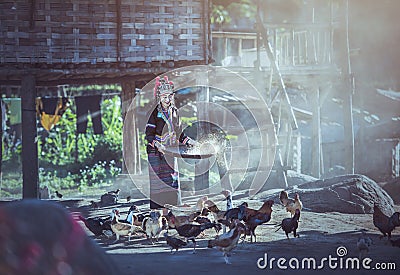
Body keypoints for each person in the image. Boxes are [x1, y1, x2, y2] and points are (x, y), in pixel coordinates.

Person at [145, 75, 197, 212]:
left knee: (172, 181)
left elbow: (179, 133)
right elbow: (148, 136)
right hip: (156, 153)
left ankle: (171, 215)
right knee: (158, 184)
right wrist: (158, 145)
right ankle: (158, 215)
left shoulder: (175, 111)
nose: (167, 100)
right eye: (164, 97)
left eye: (169, 96)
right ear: (159, 98)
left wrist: (189, 142)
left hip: (170, 152)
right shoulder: (154, 113)